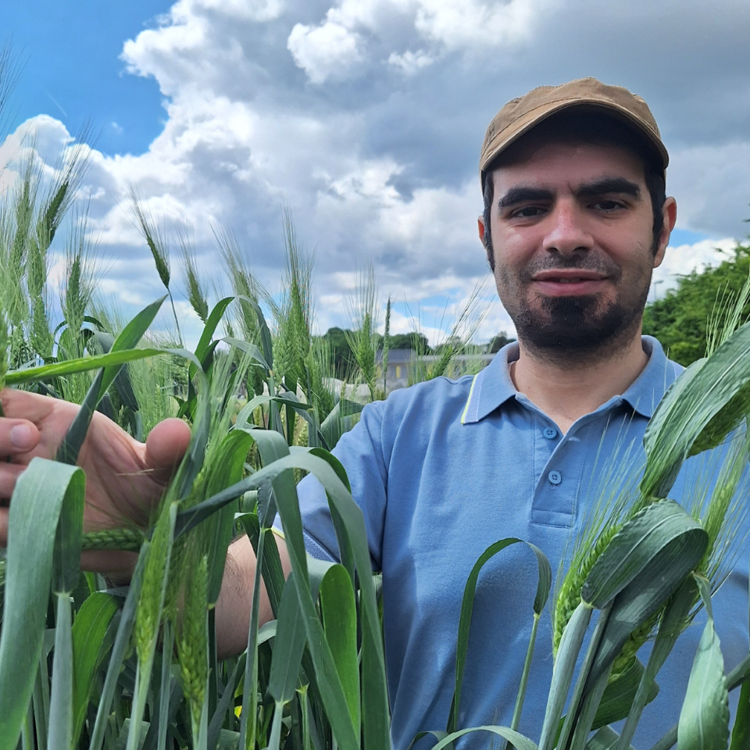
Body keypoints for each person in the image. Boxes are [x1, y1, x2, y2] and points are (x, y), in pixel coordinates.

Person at [0, 78, 746, 749]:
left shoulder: (735, 440)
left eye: (607, 201)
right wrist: (156, 545)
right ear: (488, 236)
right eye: (526, 207)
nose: (564, 233)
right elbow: (262, 592)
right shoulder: (396, 435)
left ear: (664, 227)